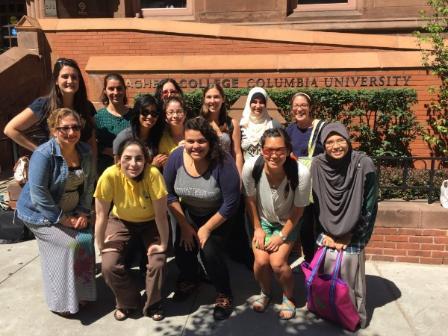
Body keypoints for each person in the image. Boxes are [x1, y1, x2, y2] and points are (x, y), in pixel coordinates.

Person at [15, 107, 96, 316]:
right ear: (53, 130)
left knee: (86, 238)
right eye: (64, 128)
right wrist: (63, 219)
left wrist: (83, 213)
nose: (71, 132)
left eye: (75, 127)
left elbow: (88, 187)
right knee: (67, 244)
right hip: (40, 213)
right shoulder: (43, 154)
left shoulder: (85, 151)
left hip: (73, 211)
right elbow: (39, 193)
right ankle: (62, 302)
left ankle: (82, 293)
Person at [163, 117, 240, 320]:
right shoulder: (176, 158)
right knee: (182, 246)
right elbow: (169, 194)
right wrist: (185, 226)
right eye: (190, 141)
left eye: (201, 141)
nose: (195, 146)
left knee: (210, 251)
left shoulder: (223, 161)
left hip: (218, 215)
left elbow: (231, 202)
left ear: (210, 142)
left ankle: (224, 292)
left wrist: (206, 228)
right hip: (188, 213)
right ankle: (190, 278)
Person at [311, 122, 378, 329]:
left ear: (348, 141)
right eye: (330, 142)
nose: (336, 146)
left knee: (349, 278)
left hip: (354, 233)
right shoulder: (317, 165)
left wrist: (352, 236)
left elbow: (370, 206)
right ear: (323, 144)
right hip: (327, 233)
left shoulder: (363, 164)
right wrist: (325, 235)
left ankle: (352, 317)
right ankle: (327, 310)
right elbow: (312, 204)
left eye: (340, 140)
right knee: (326, 278)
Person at [94, 138, 169, 321]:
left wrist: (165, 245)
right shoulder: (110, 175)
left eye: (139, 159)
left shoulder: (153, 175)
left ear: (146, 160)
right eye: (127, 158)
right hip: (121, 221)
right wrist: (101, 244)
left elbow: (160, 215)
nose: (133, 164)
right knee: (109, 265)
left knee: (158, 261)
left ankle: (153, 304)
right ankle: (128, 302)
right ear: (119, 159)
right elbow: (101, 215)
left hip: (151, 222)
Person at [243, 128, 310, 320]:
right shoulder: (251, 167)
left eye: (280, 150)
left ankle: (289, 297)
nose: (274, 155)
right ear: (261, 150)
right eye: (268, 150)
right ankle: (265, 292)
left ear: (288, 150)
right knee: (261, 262)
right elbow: (250, 199)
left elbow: (299, 210)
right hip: (261, 220)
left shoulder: (300, 173)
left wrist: (281, 236)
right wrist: (257, 228)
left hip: (288, 221)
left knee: (278, 263)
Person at [4, 58, 97, 158]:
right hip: (54, 167)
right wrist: (41, 151)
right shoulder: (44, 105)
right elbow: (10, 129)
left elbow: (91, 140)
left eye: (74, 77)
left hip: (83, 166)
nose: (70, 81)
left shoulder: (86, 106)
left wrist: (94, 166)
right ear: (56, 81)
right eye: (65, 77)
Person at [286, 92, 326, 262]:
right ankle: (311, 262)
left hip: (318, 184)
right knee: (305, 227)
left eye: (303, 105)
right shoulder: (289, 129)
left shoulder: (321, 129)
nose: (299, 109)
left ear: (310, 108)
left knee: (321, 223)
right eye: (296, 105)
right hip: (299, 184)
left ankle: (324, 261)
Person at [201, 84, 243, 175]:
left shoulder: (232, 123)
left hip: (226, 171)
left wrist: (239, 177)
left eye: (216, 97)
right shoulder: (198, 123)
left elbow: (237, 153)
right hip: (205, 173)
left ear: (223, 99)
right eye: (209, 97)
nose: (212, 101)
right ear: (204, 99)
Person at [113, 94, 165, 166]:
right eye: (145, 112)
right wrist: (152, 166)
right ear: (137, 113)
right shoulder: (124, 137)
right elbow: (118, 168)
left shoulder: (159, 136)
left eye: (154, 113)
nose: (149, 117)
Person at [95, 73, 132, 175]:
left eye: (119, 88)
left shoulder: (134, 116)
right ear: (105, 91)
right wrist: (108, 150)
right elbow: (91, 144)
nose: (115, 92)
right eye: (111, 88)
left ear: (124, 90)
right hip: (105, 170)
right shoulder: (98, 117)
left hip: (130, 169)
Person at [240, 87, 282, 161]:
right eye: (254, 102)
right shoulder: (242, 125)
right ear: (249, 103)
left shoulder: (274, 125)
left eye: (261, 102)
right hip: (246, 171)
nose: (258, 106)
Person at [156, 96, 187, 167]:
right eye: (171, 112)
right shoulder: (163, 140)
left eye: (179, 111)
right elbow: (167, 166)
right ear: (166, 117)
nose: (175, 115)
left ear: (185, 114)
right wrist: (178, 150)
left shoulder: (193, 134)